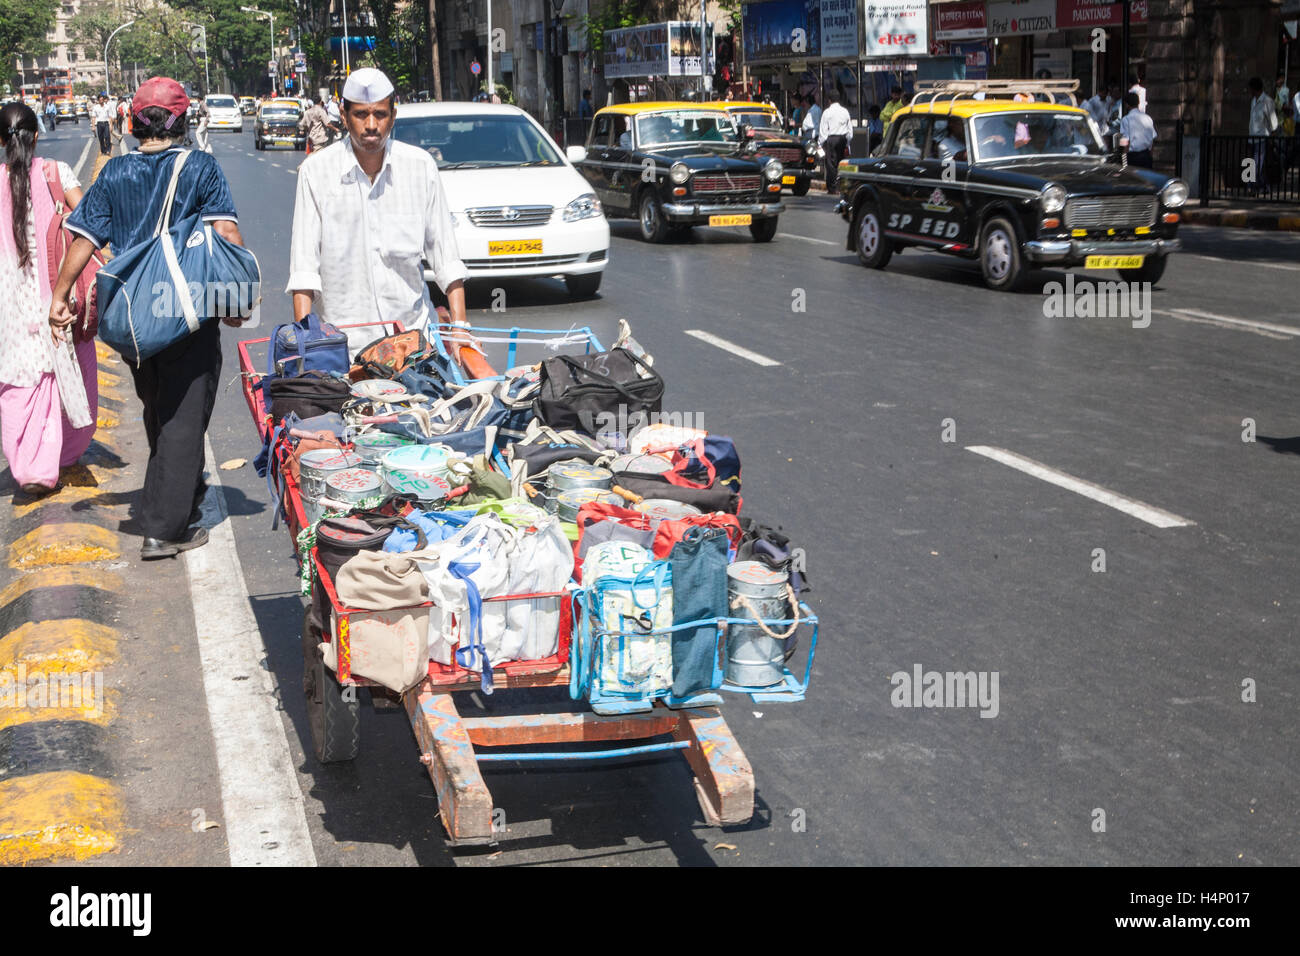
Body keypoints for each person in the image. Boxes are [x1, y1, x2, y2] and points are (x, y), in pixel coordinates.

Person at [49, 76, 246, 559]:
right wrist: (237, 299)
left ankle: (180, 494)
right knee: (183, 414)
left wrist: (60, 294)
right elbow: (225, 231)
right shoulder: (200, 166)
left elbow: (84, 239)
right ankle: (163, 528)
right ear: (181, 120)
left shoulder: (114, 172)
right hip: (187, 307)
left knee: (158, 404)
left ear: (134, 121)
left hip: (133, 312)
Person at [287, 67, 468, 359]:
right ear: (344, 117)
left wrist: (460, 326)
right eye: (360, 115)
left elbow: (445, 256)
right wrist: (304, 347)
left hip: (413, 342)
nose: (371, 125)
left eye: (380, 115)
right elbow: (304, 269)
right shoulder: (316, 172)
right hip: (344, 347)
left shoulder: (420, 167)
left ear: (392, 116)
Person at [0, 102, 94, 497]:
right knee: (61, 366)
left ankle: (31, 466)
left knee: (21, 375)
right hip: (57, 288)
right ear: (36, 136)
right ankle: (63, 452)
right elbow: (91, 218)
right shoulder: (56, 172)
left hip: (8, 296)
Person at [818, 90, 852, 193]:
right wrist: (848, 142)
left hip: (831, 139)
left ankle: (832, 188)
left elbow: (823, 131)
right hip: (842, 139)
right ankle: (842, 187)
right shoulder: (845, 111)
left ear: (829, 100)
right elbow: (850, 130)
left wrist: (820, 143)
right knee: (842, 163)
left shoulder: (827, 112)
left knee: (831, 164)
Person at [1118, 92, 1155, 167]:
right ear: (1138, 103)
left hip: (1133, 157)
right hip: (1146, 156)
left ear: (1127, 105)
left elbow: (1125, 142)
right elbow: (1153, 139)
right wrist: (1150, 156)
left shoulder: (1126, 119)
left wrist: (1124, 162)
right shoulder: (1148, 118)